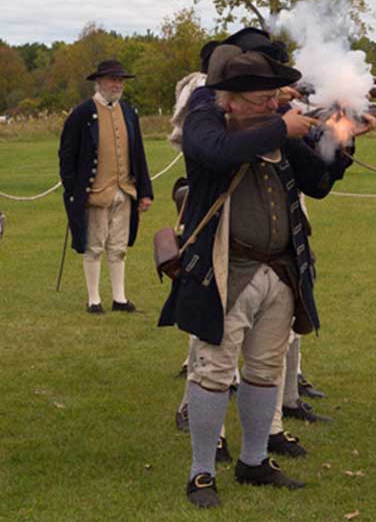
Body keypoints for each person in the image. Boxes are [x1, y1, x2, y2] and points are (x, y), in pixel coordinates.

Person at [158, 44, 352, 509]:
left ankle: (254, 458)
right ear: (237, 97)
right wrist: (279, 126)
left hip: (280, 270)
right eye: (265, 96)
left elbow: (319, 183)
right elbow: (216, 151)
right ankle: (202, 471)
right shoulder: (207, 120)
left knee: (266, 370)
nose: (275, 102)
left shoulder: (275, 130)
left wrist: (343, 136)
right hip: (225, 270)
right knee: (214, 372)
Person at [58, 59, 153, 313]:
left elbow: (139, 155)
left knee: (119, 247)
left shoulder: (130, 113)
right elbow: (67, 155)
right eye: (112, 79)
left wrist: (145, 192)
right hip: (96, 193)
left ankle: (119, 298)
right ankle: (94, 299)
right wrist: (73, 190)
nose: (117, 84)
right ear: (98, 82)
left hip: (125, 190)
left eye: (120, 80)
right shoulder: (81, 114)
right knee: (94, 246)